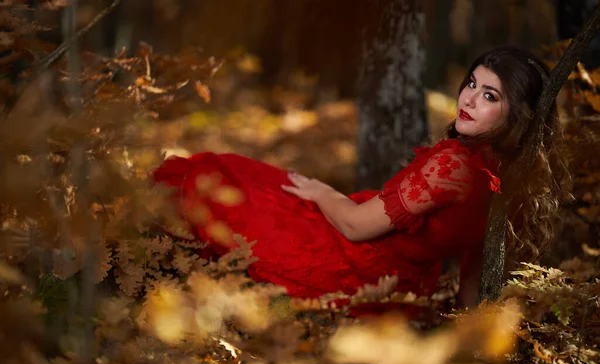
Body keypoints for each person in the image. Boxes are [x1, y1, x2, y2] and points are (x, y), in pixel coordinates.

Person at [152, 46, 570, 307]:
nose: (469, 98)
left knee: (215, 177)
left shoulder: (455, 166)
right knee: (243, 174)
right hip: (400, 283)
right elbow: (474, 273)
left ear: (519, 115)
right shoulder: (511, 174)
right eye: (473, 83)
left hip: (357, 260)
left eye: (490, 96)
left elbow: (353, 227)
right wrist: (469, 330)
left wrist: (321, 191)